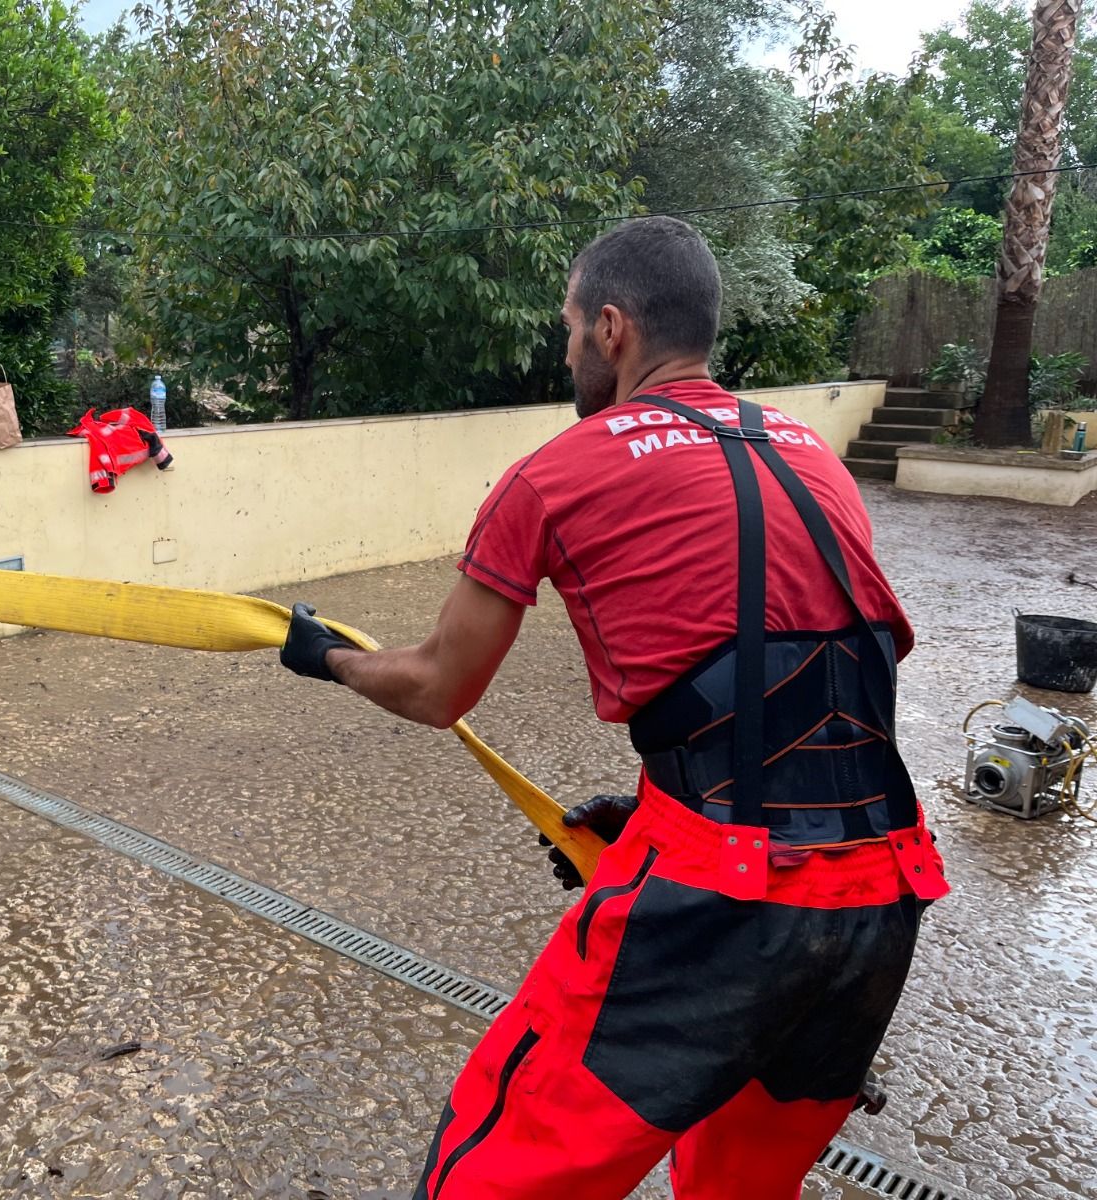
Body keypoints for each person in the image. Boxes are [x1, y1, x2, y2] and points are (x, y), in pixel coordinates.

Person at [279, 216, 947, 1200]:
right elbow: (830, 682)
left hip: (725, 901)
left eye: (564, 327)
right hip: (882, 899)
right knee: (738, 1190)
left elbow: (434, 688)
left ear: (609, 328)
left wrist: (326, 654)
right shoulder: (808, 455)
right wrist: (651, 811)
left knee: (488, 1170)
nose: (561, 351)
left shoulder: (554, 475)